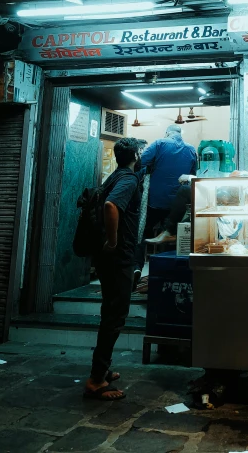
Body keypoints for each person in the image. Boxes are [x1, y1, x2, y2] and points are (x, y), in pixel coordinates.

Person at [84, 137, 143, 401]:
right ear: (137, 155)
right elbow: (111, 206)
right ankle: (96, 380)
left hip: (109, 258)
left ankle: (102, 369)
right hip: (118, 257)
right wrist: (113, 239)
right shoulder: (128, 179)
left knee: (110, 312)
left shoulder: (114, 176)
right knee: (115, 316)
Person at [134, 125, 197, 277]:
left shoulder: (159, 143)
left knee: (142, 233)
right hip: (177, 206)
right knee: (169, 237)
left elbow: (139, 164)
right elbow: (193, 175)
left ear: (167, 133)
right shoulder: (191, 150)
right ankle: (165, 273)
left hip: (155, 201)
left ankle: (136, 267)